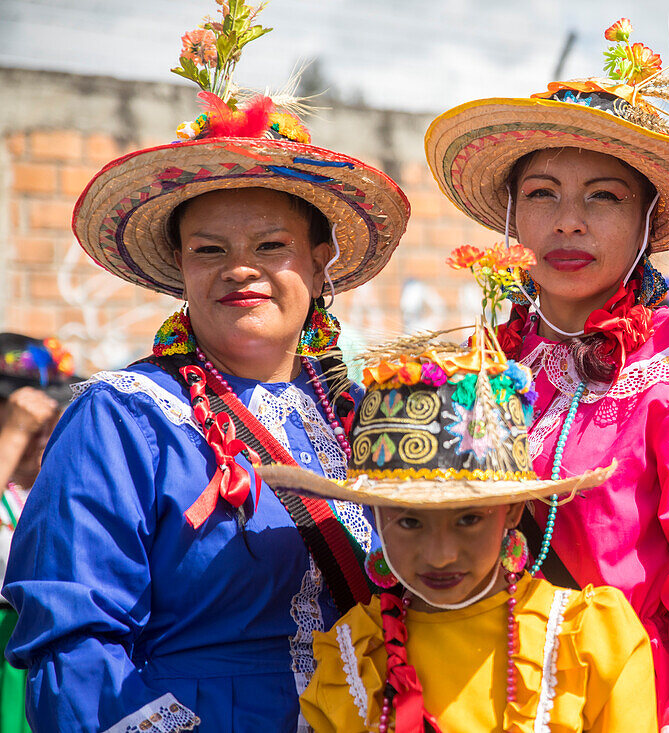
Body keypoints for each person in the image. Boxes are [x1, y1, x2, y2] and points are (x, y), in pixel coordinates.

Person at [1, 5, 410, 730]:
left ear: (320, 265)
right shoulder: (123, 417)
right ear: (180, 270)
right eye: (210, 249)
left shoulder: (355, 414)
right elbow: (74, 647)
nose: (240, 270)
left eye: (271, 245)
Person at [425, 19, 669, 733]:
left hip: (640, 705)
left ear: (648, 217)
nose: (569, 222)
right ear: (513, 214)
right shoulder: (482, 366)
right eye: (544, 194)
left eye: (604, 197)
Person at [266, 247, 657, 731]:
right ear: (377, 516)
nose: (442, 553)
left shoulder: (591, 643)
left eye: (469, 518)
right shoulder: (350, 663)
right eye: (410, 521)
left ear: (512, 511)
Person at [0, 334, 76, 733]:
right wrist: (12, 435)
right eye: (31, 423)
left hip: (45, 655)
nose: (41, 432)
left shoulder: (53, 488)